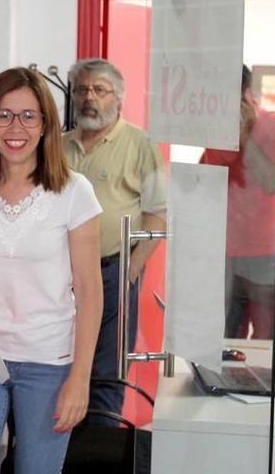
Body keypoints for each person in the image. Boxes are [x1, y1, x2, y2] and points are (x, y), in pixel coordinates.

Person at [0, 67, 103, 473]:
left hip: (48, 359)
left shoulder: (73, 192)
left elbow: (89, 290)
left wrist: (80, 379)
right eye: (3, 115)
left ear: (46, 125)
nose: (16, 127)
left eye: (29, 116)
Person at [62, 58, 166, 422]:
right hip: (61, 278)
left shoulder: (140, 144)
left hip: (112, 273)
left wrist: (132, 269)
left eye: (99, 90)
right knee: (60, 367)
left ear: (118, 98)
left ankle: (99, 454)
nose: (89, 97)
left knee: (106, 373)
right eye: (82, 89)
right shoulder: (58, 147)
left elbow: (158, 212)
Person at [201, 65, 275, 340]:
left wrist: (248, 133)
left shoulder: (273, 125)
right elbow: (205, 180)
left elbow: (272, 181)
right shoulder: (219, 128)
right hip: (224, 249)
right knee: (224, 334)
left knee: (267, 336)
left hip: (265, 250)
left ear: (245, 94)